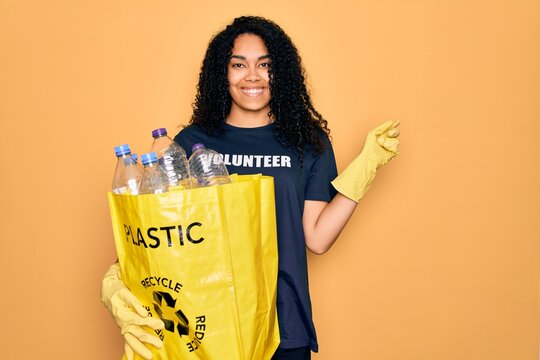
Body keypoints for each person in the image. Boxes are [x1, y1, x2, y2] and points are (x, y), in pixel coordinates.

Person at [101, 16, 400, 360]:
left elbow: (317, 238)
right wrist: (114, 279)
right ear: (221, 73)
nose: (253, 76)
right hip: (210, 327)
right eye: (238, 65)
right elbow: (161, 231)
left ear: (281, 73)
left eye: (265, 65)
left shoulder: (307, 142)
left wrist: (363, 169)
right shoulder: (189, 143)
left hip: (283, 324)